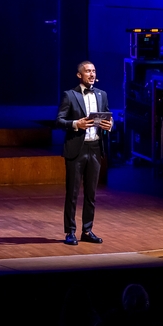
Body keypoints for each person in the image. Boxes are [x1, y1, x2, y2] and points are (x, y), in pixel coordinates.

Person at [56, 61, 112, 245]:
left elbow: (108, 115)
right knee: (72, 193)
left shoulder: (102, 94)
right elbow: (59, 120)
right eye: (88, 71)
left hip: (95, 148)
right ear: (79, 75)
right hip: (76, 149)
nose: (92, 74)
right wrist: (75, 124)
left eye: (94, 71)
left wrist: (110, 125)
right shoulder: (70, 95)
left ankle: (87, 230)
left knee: (91, 193)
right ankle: (70, 232)